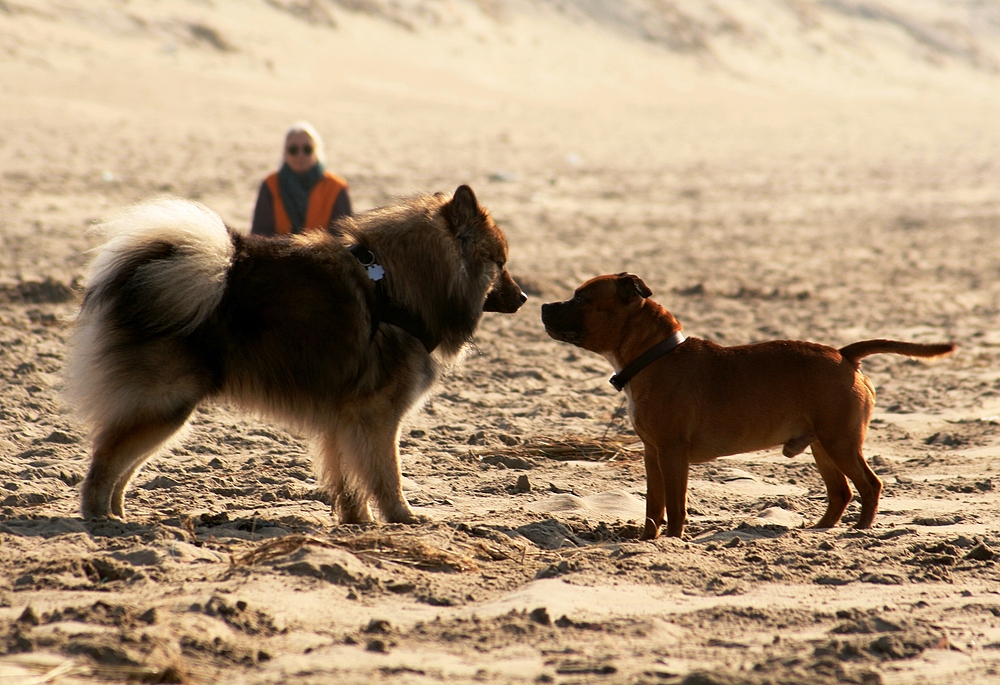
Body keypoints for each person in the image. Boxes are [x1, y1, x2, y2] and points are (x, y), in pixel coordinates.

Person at [250, 122, 352, 235]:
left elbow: (344, 237)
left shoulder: (336, 187)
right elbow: (259, 234)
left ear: (317, 151)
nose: (300, 155)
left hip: (325, 252)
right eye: (293, 149)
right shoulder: (270, 184)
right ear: (285, 153)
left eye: (307, 149)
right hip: (278, 252)